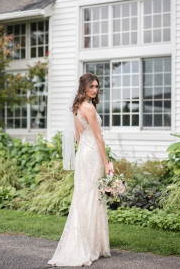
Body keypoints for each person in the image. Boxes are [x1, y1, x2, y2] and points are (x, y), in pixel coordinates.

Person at [48, 73, 114, 267]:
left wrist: (84, 152)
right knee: (91, 197)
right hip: (92, 154)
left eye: (97, 86)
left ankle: (89, 242)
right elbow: (98, 138)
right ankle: (88, 245)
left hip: (83, 154)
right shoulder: (89, 108)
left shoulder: (76, 107)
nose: (95, 90)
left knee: (83, 197)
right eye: (91, 86)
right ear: (84, 87)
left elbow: (79, 136)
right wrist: (106, 163)